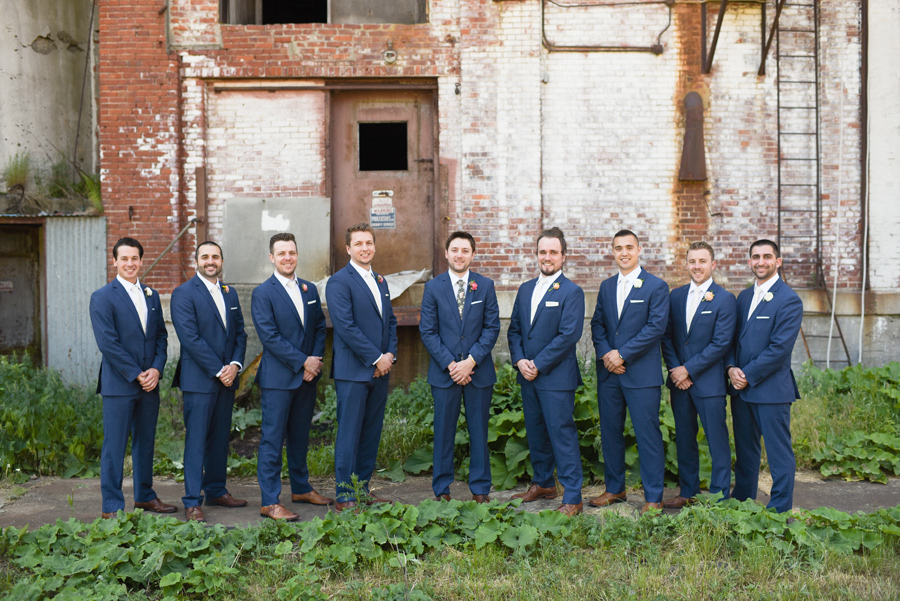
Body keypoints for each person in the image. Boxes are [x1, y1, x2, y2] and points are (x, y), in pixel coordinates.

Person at [89, 237, 174, 518]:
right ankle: (111, 507)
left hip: (150, 384)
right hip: (119, 384)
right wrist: (136, 373)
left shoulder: (151, 294)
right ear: (114, 261)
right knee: (115, 446)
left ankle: (145, 496)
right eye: (124, 259)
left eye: (134, 258)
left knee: (145, 442)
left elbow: (161, 337)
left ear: (141, 260)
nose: (130, 263)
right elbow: (108, 343)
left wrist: (157, 370)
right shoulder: (102, 297)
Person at [251, 232, 332, 521]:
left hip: (306, 379)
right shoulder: (263, 293)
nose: (288, 257)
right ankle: (269, 501)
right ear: (272, 257)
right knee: (272, 440)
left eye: (292, 252)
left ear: (297, 255)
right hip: (278, 379)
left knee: (300, 437)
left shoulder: (310, 289)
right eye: (282, 253)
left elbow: (320, 328)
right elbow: (269, 337)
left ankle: (300, 488)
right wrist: (303, 362)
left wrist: (314, 361)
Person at [590, 229, 669, 514]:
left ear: (639, 250)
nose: (623, 252)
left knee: (647, 434)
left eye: (629, 247)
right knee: (610, 432)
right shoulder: (606, 286)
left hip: (641, 374)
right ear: (613, 252)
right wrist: (606, 354)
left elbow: (655, 328)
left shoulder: (656, 286)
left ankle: (653, 496)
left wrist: (622, 354)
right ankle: (615, 489)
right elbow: (597, 324)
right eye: (618, 248)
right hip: (610, 374)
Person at [507, 227, 585, 517]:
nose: (547, 257)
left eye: (553, 252)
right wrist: (519, 361)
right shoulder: (526, 289)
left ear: (563, 256)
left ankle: (573, 496)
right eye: (543, 251)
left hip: (555, 378)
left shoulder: (572, 292)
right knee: (536, 433)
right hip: (527, 375)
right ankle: (543, 483)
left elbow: (568, 335)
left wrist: (537, 364)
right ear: (536, 254)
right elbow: (514, 330)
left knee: (561, 435)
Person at [170, 241, 248, 522]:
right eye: (205, 257)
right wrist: (219, 369)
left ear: (222, 261)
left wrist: (236, 365)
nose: (210, 261)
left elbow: (240, 333)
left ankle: (216, 489)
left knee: (219, 439)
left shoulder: (230, 293)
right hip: (199, 380)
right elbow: (190, 338)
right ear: (196, 262)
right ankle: (192, 501)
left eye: (215, 256)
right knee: (197, 441)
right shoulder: (183, 294)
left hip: (227, 379)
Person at [420, 231, 500, 503]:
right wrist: (452, 365)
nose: (459, 255)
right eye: (454, 249)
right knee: (443, 432)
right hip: (445, 373)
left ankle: (480, 490)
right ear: (446, 253)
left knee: (479, 432)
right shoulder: (433, 287)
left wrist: (471, 362)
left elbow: (492, 328)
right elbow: (428, 331)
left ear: (472, 255)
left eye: (465, 250)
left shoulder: (485, 286)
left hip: (478, 372)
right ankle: (441, 490)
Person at [326, 223, 398, 511]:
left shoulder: (380, 280)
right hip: (353, 371)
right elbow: (345, 327)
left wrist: (389, 355)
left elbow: (390, 322)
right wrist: (375, 357)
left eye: (369, 243)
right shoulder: (339, 282)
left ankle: (364, 489)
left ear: (374, 246)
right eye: (359, 244)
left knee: (370, 432)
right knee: (349, 434)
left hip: (380, 370)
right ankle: (345, 495)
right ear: (348, 248)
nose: (365, 248)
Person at [727, 239, 803, 513]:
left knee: (778, 453)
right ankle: (743, 502)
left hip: (771, 389)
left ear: (778, 262)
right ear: (749, 262)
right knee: (746, 452)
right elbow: (732, 340)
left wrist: (746, 374)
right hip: (740, 389)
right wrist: (731, 368)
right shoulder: (744, 297)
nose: (761, 261)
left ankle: (779, 509)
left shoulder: (790, 300)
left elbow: (779, 349)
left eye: (767, 256)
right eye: (756, 257)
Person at [660, 241, 736, 508]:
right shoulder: (676, 296)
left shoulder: (725, 299)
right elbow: (666, 337)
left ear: (713, 265)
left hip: (709, 383)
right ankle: (688, 491)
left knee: (717, 440)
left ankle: (718, 496)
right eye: (692, 261)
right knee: (684, 438)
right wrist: (675, 370)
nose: (697, 266)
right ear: (687, 264)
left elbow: (721, 343)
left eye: (702, 261)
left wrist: (688, 369)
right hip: (679, 384)